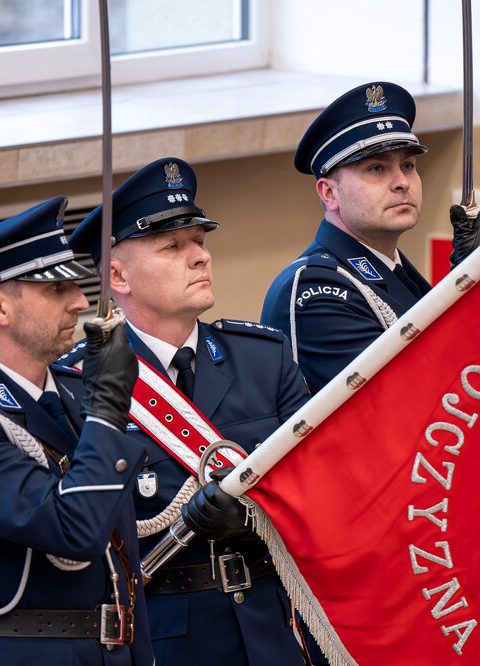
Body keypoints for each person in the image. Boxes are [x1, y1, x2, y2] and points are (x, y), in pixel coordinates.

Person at [67, 158, 313, 665]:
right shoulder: (78, 388)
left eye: (199, 240)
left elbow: (322, 485)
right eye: (173, 246)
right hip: (169, 640)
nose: (200, 256)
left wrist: (251, 518)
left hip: (274, 629)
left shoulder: (263, 359)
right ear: (118, 276)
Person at [0, 196, 153, 665]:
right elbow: (74, 531)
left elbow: (124, 563)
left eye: (75, 286)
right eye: (55, 289)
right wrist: (107, 410)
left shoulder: (78, 393)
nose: (79, 301)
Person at [261, 81, 480, 393]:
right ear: (330, 193)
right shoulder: (318, 291)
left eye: (408, 165)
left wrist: (478, 276)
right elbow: (414, 394)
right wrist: (473, 290)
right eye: (376, 169)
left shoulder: (392, 271)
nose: (401, 182)